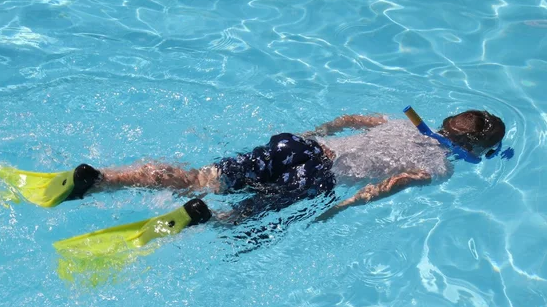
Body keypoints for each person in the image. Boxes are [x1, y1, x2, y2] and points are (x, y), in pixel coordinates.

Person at [68, 109, 507, 222]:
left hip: (299, 148)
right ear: (474, 149)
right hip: (317, 177)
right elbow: (392, 184)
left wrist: (315, 132)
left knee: (201, 177)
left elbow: (351, 120)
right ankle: (206, 219)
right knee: (241, 219)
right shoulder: (441, 168)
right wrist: (344, 207)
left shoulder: (398, 123)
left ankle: (105, 177)